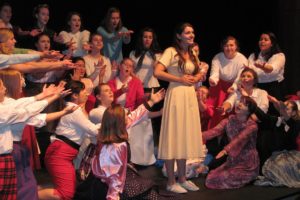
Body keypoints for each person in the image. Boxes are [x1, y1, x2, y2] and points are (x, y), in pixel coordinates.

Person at [0, 69, 76, 200]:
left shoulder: (10, 102)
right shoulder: (5, 106)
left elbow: (29, 109)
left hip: (14, 152)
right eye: (20, 79)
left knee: (23, 189)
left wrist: (44, 96)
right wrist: (52, 98)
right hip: (11, 152)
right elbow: (30, 113)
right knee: (22, 190)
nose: (23, 82)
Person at [75, 103, 173, 200]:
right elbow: (113, 176)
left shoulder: (113, 133)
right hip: (110, 184)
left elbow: (135, 116)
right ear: (120, 121)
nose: (128, 115)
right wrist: (113, 196)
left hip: (117, 176)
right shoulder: (115, 146)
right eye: (125, 115)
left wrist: (150, 101)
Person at [154, 22, 203, 193]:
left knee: (184, 136)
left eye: (193, 32)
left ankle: (182, 178)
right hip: (175, 94)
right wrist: (180, 79)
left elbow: (195, 75)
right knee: (173, 135)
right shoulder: (171, 51)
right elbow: (158, 72)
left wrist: (196, 76)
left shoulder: (193, 53)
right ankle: (171, 181)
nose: (191, 35)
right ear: (179, 35)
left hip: (189, 96)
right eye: (188, 32)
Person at [38, 80, 100, 200]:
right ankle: (28, 195)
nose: (87, 94)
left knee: (66, 189)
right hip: (60, 154)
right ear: (75, 95)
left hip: (61, 153)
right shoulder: (74, 109)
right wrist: (107, 123)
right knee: (66, 193)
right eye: (84, 91)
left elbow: (89, 130)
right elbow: (93, 130)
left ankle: (30, 191)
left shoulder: (71, 107)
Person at [203, 96, 259, 189]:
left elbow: (239, 139)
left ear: (249, 111)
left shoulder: (252, 126)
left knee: (222, 178)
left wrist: (225, 150)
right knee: (211, 178)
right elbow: (214, 131)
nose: (239, 104)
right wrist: (195, 135)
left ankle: (250, 177)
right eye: (240, 102)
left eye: (244, 104)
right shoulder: (229, 120)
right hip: (233, 160)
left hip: (247, 163)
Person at [207, 35, 247, 129]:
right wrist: (213, 80)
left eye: (231, 45)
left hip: (235, 86)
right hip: (219, 86)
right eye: (226, 45)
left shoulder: (242, 59)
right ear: (223, 47)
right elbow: (214, 72)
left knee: (232, 109)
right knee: (216, 111)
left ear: (236, 46)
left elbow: (240, 77)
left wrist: (233, 87)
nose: (229, 48)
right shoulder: (217, 57)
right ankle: (213, 135)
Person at [248, 32, 285, 103]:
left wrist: (263, 67)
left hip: (273, 88)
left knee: (273, 112)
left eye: (266, 39)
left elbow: (273, 70)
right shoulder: (253, 56)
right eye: (261, 39)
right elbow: (249, 71)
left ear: (272, 43)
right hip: (257, 87)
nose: (262, 41)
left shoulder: (279, 56)